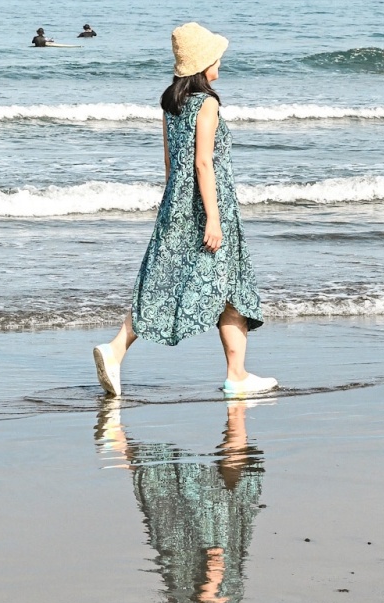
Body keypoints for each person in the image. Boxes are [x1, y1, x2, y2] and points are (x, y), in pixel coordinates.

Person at [92, 21, 278, 398]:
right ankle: (234, 376)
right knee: (232, 285)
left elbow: (170, 164)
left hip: (176, 204)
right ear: (202, 65)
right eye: (215, 58)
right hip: (211, 204)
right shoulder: (207, 103)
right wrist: (212, 217)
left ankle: (234, 374)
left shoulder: (170, 105)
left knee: (166, 281)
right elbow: (203, 164)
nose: (220, 63)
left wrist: (174, 209)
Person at [95, 399, 264, 603]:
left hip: (211, 570)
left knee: (216, 499)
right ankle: (116, 442)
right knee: (209, 498)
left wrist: (213, 577)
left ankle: (236, 411)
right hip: (209, 575)